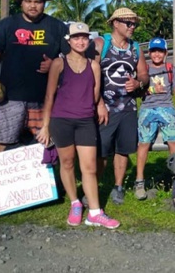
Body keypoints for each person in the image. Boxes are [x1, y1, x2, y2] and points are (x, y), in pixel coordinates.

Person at [36, 22, 119, 229]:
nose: (80, 41)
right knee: (67, 163)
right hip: (61, 120)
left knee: (89, 167)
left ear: (89, 40)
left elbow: (95, 92)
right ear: (69, 41)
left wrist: (98, 105)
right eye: (76, 38)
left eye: (84, 38)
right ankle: (75, 203)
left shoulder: (94, 65)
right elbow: (49, 96)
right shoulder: (58, 63)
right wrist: (45, 126)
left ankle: (94, 211)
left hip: (85, 121)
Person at [0, 0, 69, 153]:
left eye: (38, 2)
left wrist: (55, 65)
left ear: (44, 4)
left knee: (46, 142)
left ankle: (48, 179)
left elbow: (72, 58)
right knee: (5, 140)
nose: (33, 5)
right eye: (28, 1)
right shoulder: (7, 25)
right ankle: (0, 178)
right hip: (11, 97)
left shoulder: (57, 26)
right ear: (21, 3)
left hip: (45, 98)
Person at [93, 7, 149, 205]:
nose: (133, 27)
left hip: (128, 107)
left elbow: (144, 74)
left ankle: (118, 187)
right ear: (116, 23)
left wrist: (138, 83)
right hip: (105, 108)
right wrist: (98, 103)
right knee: (101, 150)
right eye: (129, 23)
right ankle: (95, 188)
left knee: (123, 150)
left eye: (135, 23)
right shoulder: (101, 43)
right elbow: (90, 75)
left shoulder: (135, 48)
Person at [134, 37, 175, 200]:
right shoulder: (144, 70)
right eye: (154, 51)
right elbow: (136, 91)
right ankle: (139, 181)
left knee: (174, 143)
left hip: (167, 108)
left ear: (165, 53)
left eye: (160, 51)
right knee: (143, 144)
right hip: (147, 109)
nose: (157, 54)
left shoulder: (171, 69)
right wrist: (149, 90)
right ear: (149, 53)